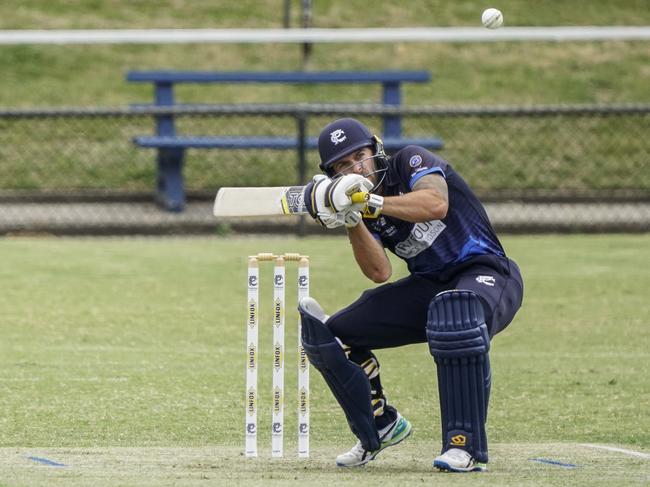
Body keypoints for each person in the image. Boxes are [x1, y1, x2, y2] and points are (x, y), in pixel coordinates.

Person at [297, 118, 524, 472]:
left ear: (376, 150)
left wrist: (368, 202)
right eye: (343, 165)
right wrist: (350, 217)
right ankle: (380, 425)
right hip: (430, 286)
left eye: (360, 156)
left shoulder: (409, 161)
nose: (356, 168)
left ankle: (463, 447)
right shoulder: (359, 205)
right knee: (332, 333)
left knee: (456, 318)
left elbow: (435, 204)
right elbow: (379, 272)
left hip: (485, 272)